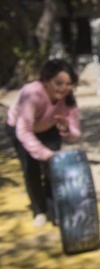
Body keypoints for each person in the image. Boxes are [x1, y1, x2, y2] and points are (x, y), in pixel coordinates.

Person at [4, 59, 81, 227]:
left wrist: (66, 129)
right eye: (58, 83)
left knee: (53, 170)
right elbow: (23, 131)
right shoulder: (32, 93)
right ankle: (40, 211)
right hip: (20, 129)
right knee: (31, 169)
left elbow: (75, 134)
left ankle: (56, 210)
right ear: (46, 80)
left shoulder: (68, 101)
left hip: (48, 128)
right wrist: (46, 154)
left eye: (68, 84)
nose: (63, 88)